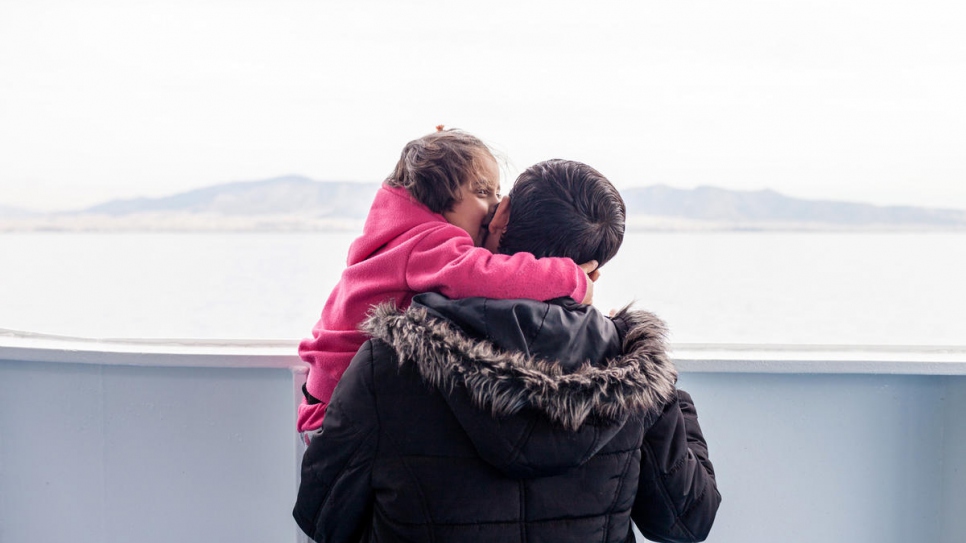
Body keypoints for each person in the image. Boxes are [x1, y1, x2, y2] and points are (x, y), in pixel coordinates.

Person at [294, 159, 721, 543]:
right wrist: (661, 378)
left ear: (501, 218)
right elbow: (687, 521)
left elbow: (323, 519)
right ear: (595, 267)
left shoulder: (388, 359)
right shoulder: (632, 368)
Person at [297, 128, 599, 434]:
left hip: (328, 393)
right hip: (339, 408)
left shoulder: (399, 231)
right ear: (435, 198)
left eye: (497, 192)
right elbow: (483, 275)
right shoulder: (425, 240)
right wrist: (570, 277)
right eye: (482, 192)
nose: (495, 205)